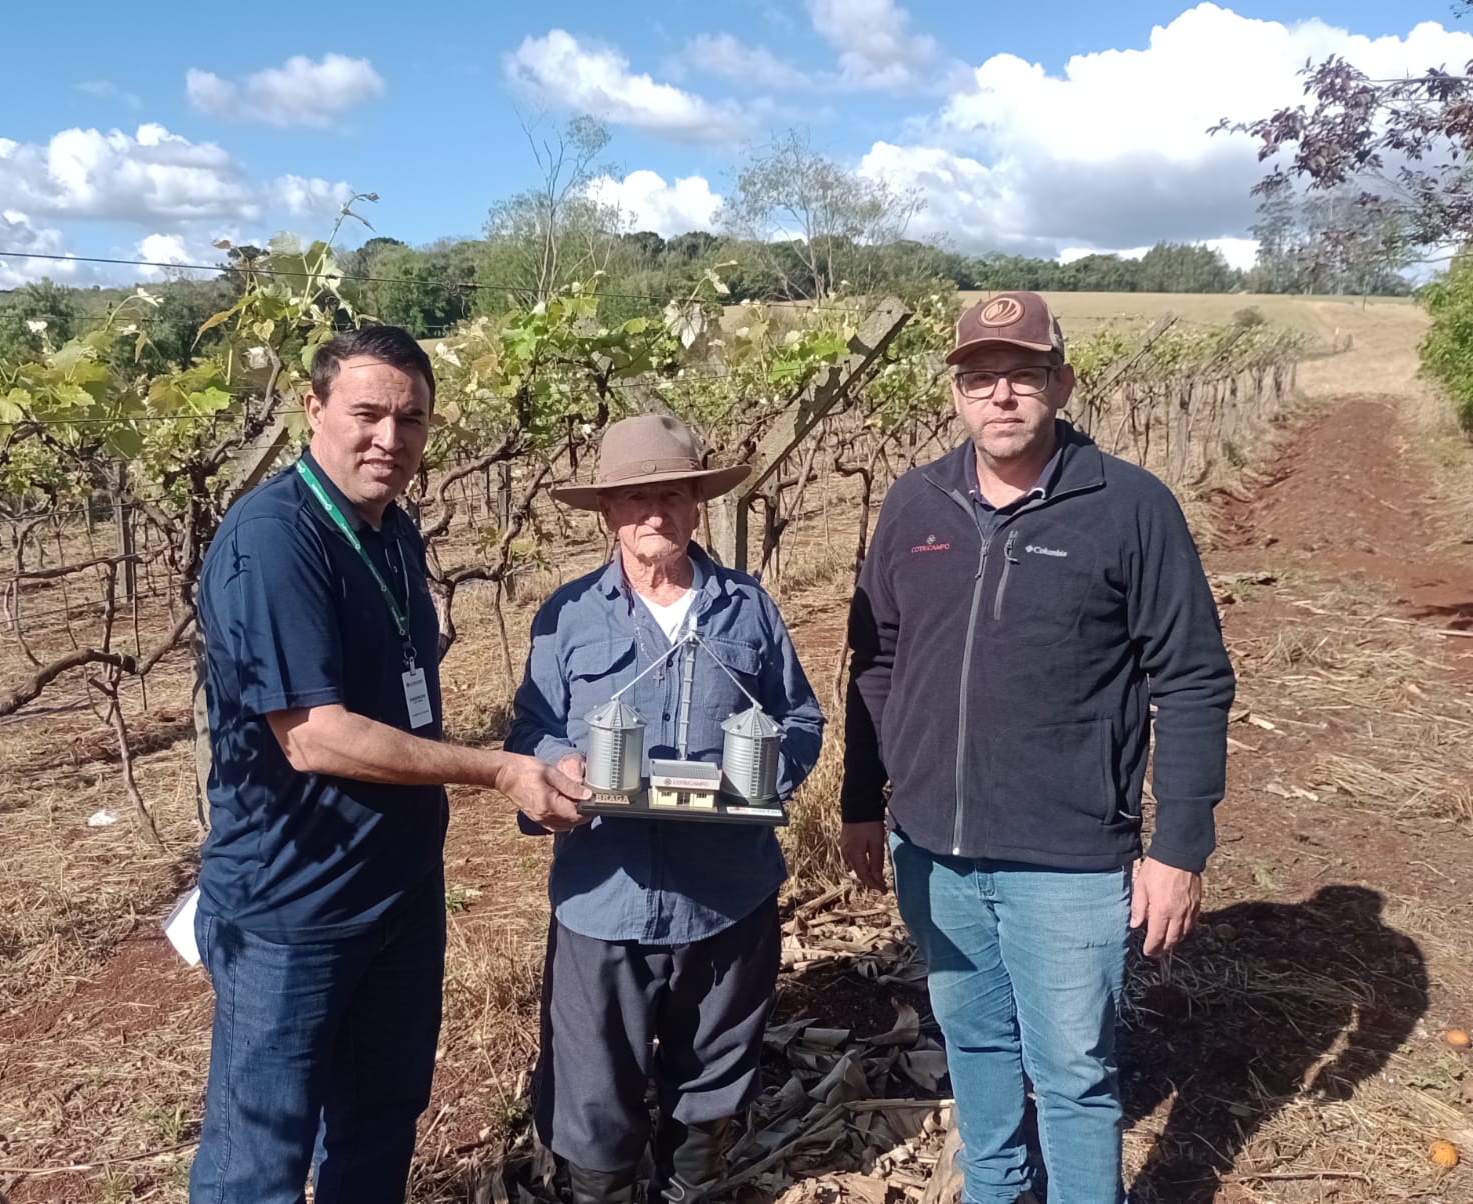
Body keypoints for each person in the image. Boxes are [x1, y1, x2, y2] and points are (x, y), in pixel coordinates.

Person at [839, 292, 1235, 1204]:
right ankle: (995, 1189)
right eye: (980, 378)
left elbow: (1191, 678)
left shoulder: (1129, 506)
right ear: (957, 394)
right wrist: (865, 801)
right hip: (932, 849)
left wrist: (1179, 847)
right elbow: (878, 660)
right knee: (974, 1044)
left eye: (1022, 374)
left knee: (1072, 1073)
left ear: (1061, 383)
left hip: (1067, 856)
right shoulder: (915, 502)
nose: (1002, 396)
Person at [190, 325, 591, 1204]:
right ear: (313, 410)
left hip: (397, 893)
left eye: (411, 420)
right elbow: (313, 735)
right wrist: (496, 768)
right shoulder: (276, 540)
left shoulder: (392, 529)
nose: (390, 439)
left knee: (379, 1121)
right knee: (259, 1159)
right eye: (367, 414)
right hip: (294, 908)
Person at [507, 414, 824, 1204]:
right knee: (591, 1099)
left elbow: (800, 719)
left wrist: (768, 778)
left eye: (674, 495)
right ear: (607, 512)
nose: (656, 512)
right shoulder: (567, 615)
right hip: (603, 898)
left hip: (726, 898)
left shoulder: (748, 608)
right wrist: (557, 764)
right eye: (636, 498)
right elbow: (533, 728)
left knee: (711, 1087)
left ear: (697, 505)